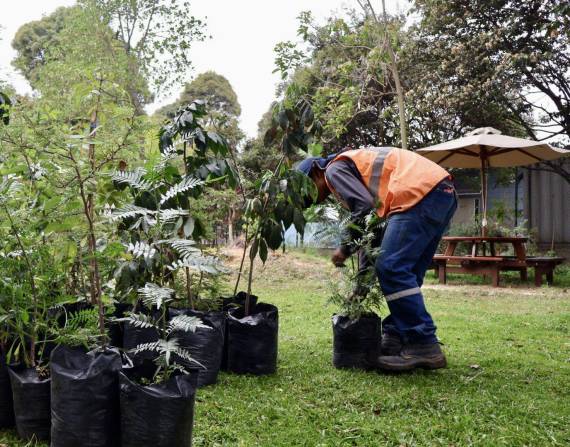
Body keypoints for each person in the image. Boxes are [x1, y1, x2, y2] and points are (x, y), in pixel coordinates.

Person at [296, 147, 457, 372]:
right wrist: (361, 285)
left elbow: (363, 210)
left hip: (419, 193)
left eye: (307, 191)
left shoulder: (333, 170)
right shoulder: (352, 169)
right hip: (442, 192)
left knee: (392, 268)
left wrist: (345, 248)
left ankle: (423, 343)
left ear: (315, 172)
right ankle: (396, 335)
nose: (313, 200)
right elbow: (374, 233)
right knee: (406, 271)